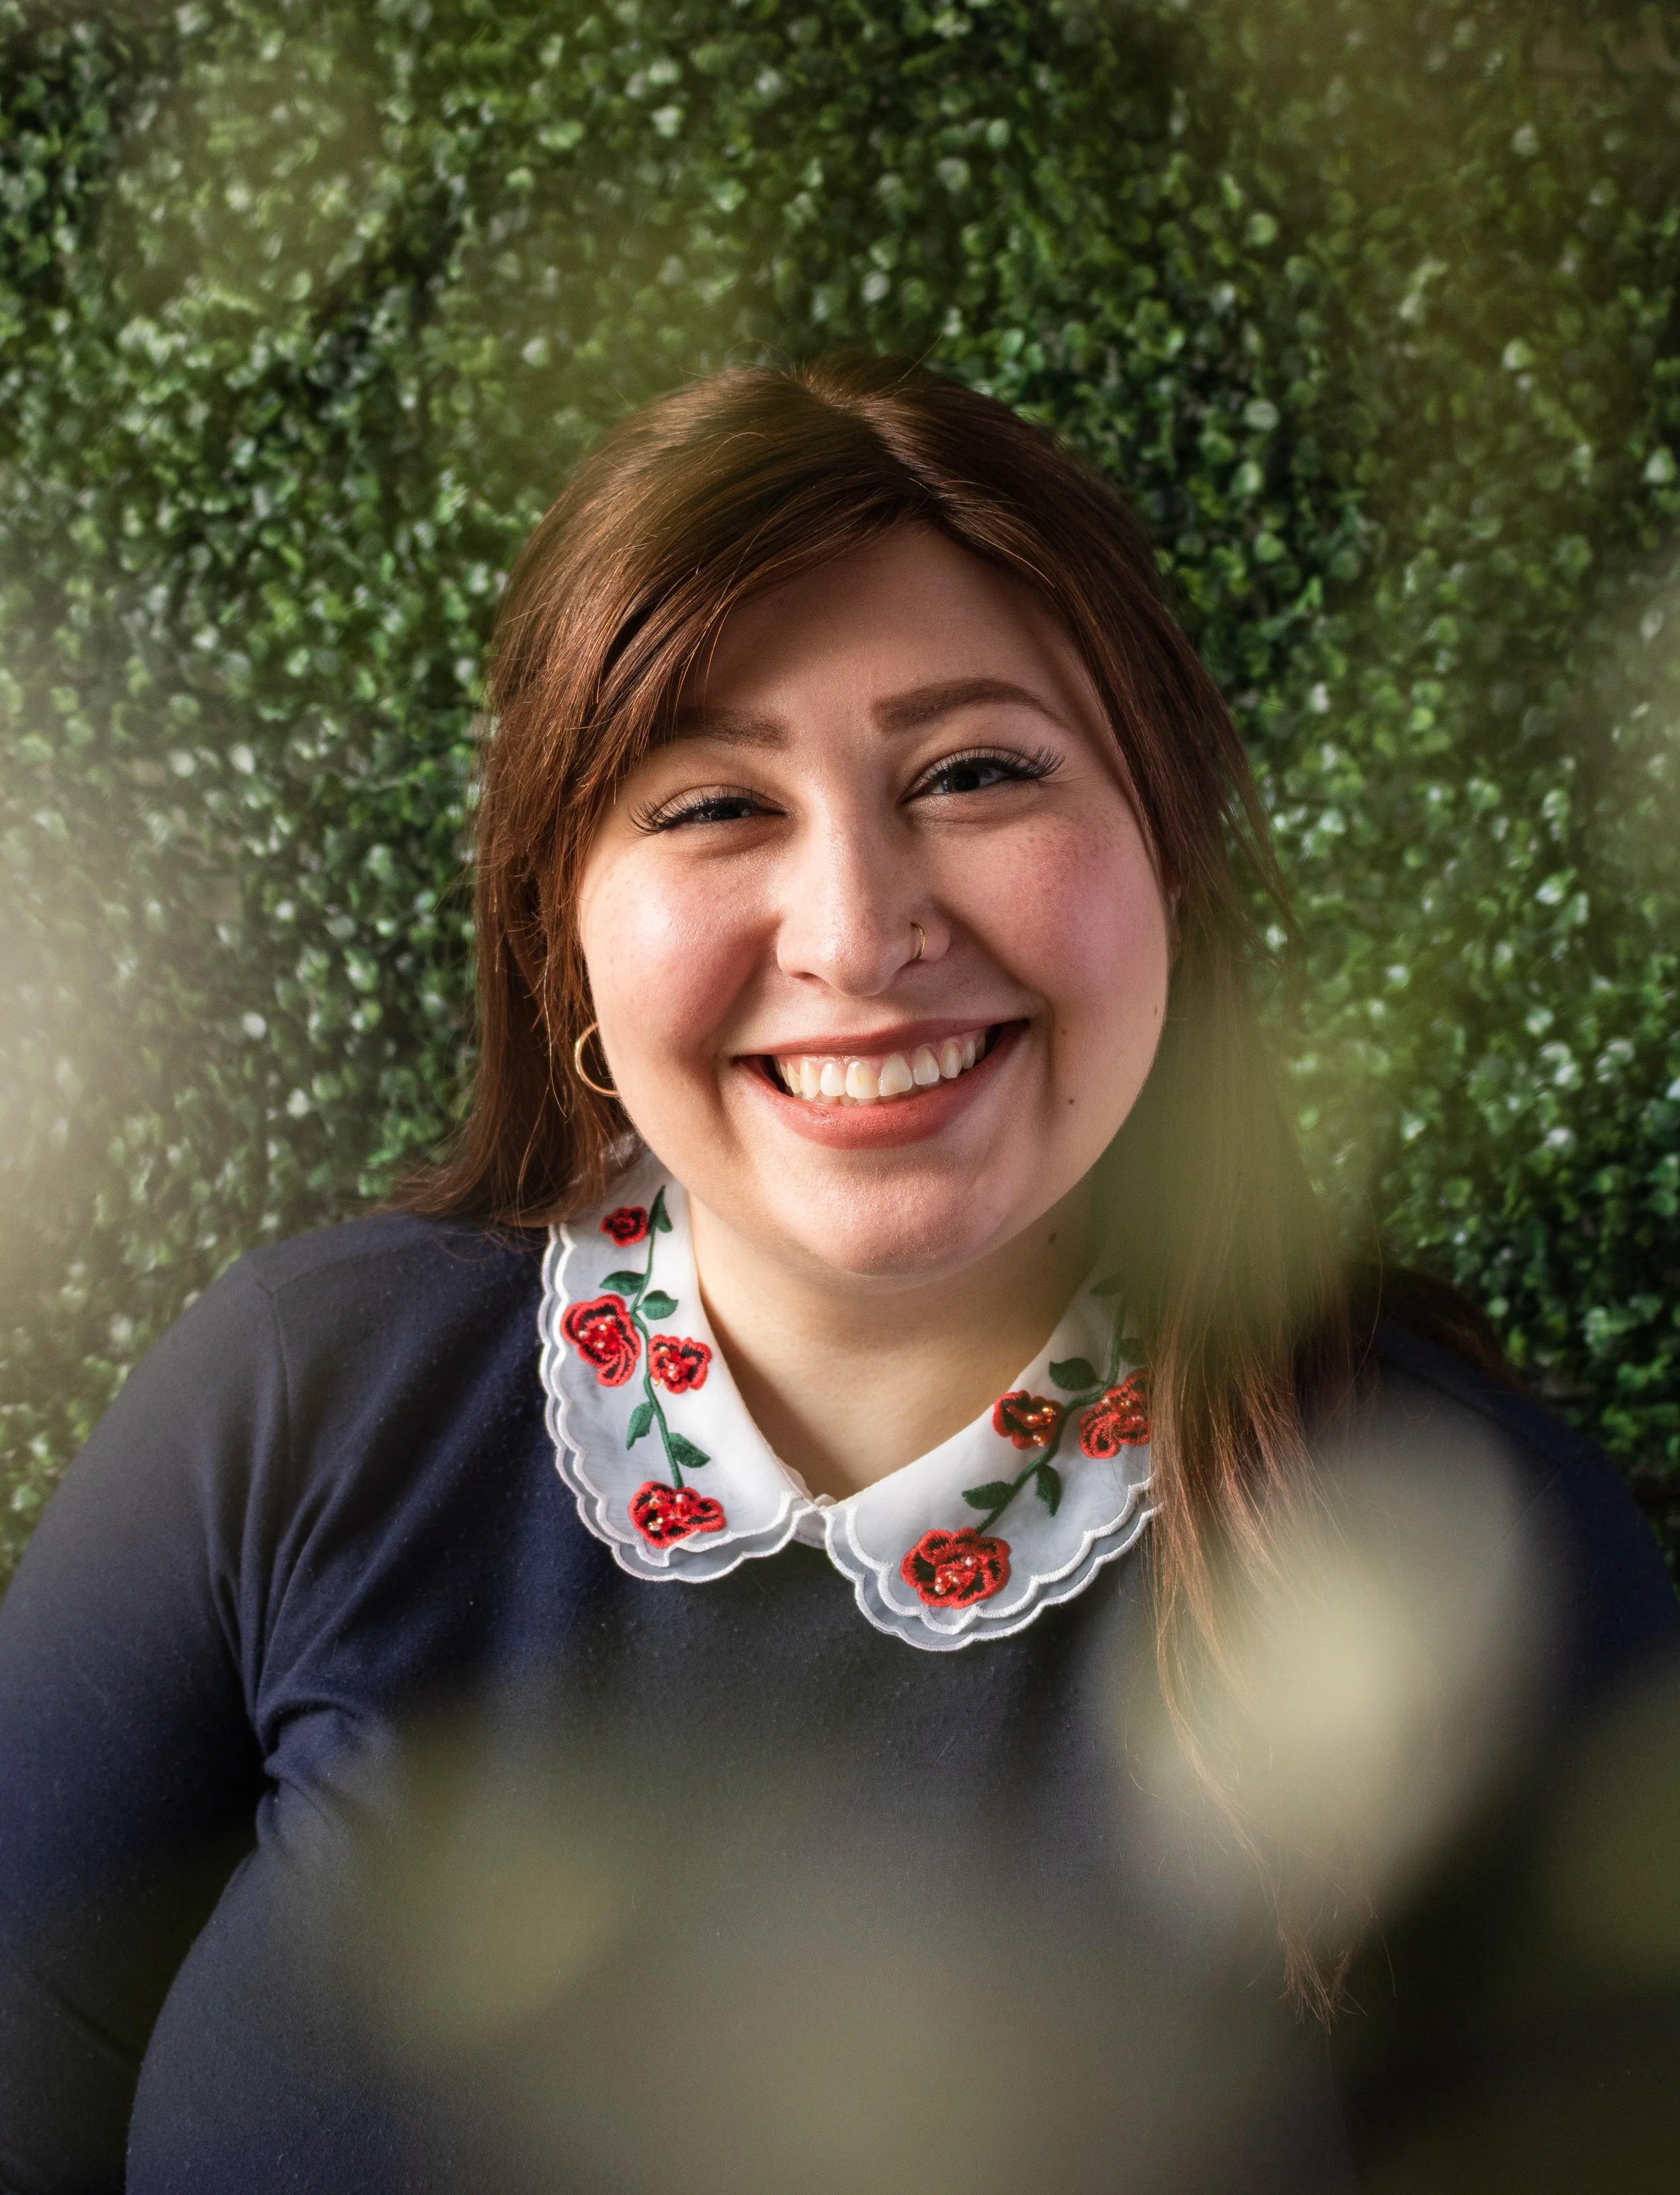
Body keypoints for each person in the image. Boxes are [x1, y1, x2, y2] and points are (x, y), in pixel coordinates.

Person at [1, 356, 1675, 2195]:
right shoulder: (294, 1405)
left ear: (1165, 850)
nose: (859, 930)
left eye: (972, 772)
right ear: (563, 922)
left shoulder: (1468, 1542)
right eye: (711, 802)